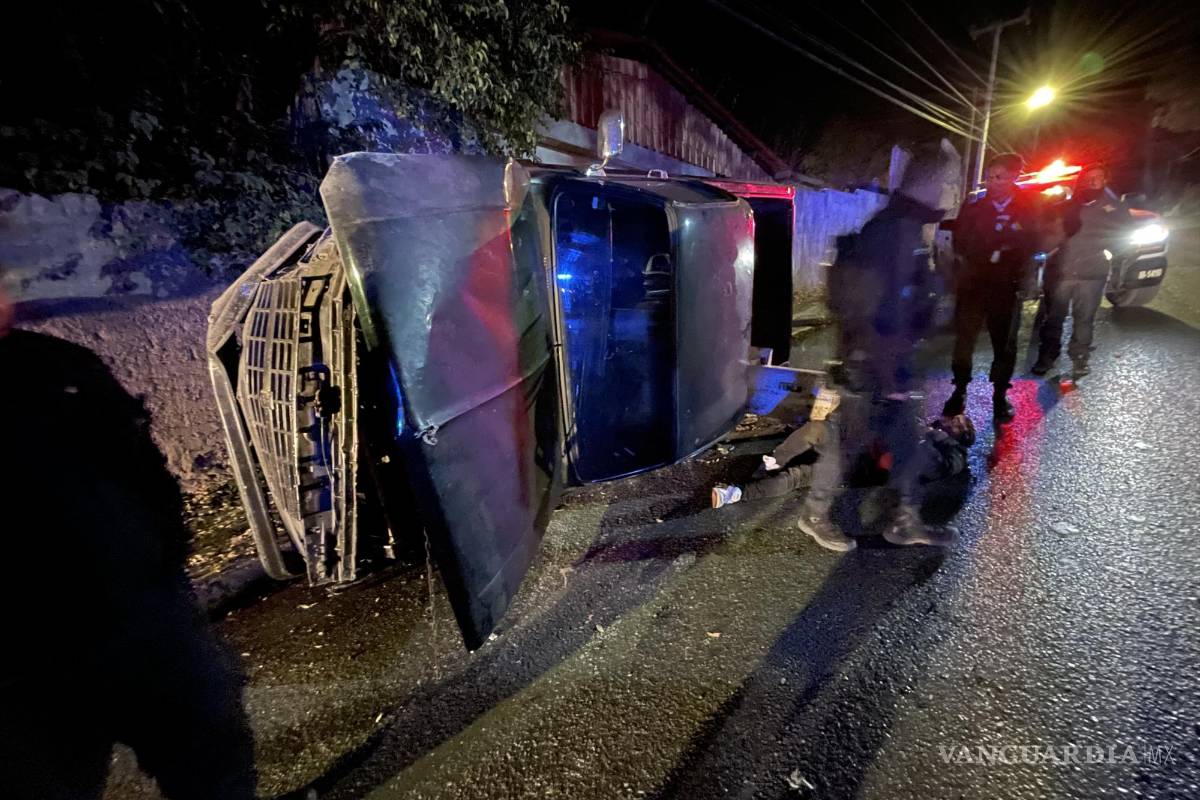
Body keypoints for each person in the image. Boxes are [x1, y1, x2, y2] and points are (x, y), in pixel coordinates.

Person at [0, 284, 256, 799]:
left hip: (143, 611)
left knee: (212, 747)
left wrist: (166, 555)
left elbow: (141, 463)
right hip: (25, 656)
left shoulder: (56, 364)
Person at [804, 138, 963, 551]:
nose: (952, 193)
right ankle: (815, 515)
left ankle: (904, 520)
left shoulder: (904, 226)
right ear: (929, 186)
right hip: (875, 365)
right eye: (949, 183)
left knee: (904, 444)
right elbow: (878, 309)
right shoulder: (894, 232)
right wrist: (891, 374)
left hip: (888, 363)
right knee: (845, 443)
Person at [712, 391, 975, 509]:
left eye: (961, 421)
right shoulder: (931, 428)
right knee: (815, 431)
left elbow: (923, 463)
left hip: (862, 466)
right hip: (858, 446)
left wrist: (918, 436)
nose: (954, 418)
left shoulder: (954, 454)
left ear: (962, 435)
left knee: (801, 475)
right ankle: (762, 470)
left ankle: (736, 493)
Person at [940, 153, 1039, 422]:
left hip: (1007, 287)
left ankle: (999, 395)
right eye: (989, 176)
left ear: (1014, 177)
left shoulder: (1030, 208)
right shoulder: (973, 208)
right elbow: (958, 241)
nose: (992, 182)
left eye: (999, 176)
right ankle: (959, 390)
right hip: (973, 285)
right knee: (964, 341)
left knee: (1004, 344)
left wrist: (1017, 264)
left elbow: (1034, 244)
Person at [1033, 162, 1132, 378]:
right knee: (1053, 318)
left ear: (1105, 180)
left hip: (1093, 274)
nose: (1092, 181)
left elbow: (1126, 235)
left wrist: (1114, 254)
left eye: (1098, 177)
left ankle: (1079, 359)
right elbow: (1047, 233)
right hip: (1062, 273)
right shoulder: (1066, 206)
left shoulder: (1115, 209)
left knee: (1084, 319)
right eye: (1088, 177)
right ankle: (1047, 357)